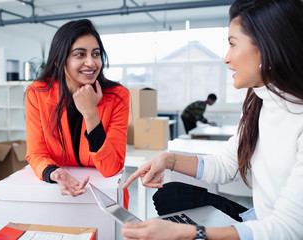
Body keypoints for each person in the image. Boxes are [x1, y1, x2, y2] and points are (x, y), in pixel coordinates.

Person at [121, 0, 303, 239]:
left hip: (276, 231)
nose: (227, 58)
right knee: (171, 194)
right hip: (259, 218)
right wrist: (168, 159)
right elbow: (226, 165)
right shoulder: (257, 104)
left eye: (232, 44)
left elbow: (290, 229)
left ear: (268, 46)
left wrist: (189, 233)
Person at [25, 19, 130, 207]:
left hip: (106, 198)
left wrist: (90, 114)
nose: (91, 62)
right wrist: (53, 172)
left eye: (96, 54)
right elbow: (36, 153)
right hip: (57, 196)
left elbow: (111, 167)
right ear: (59, 60)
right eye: (80, 54)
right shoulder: (38, 93)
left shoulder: (117, 96)